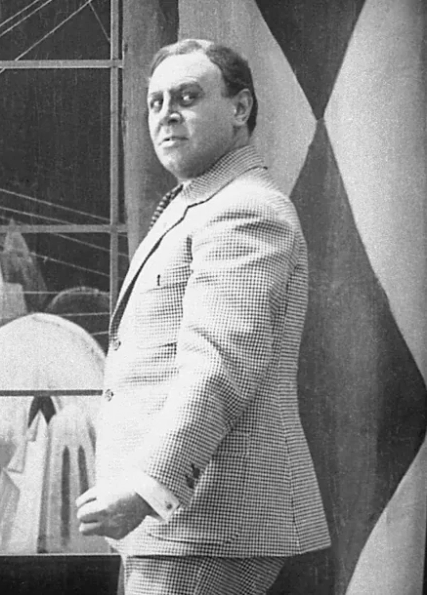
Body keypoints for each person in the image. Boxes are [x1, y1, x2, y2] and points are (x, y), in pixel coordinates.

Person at [76, 39, 330, 594]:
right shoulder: (202, 203)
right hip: (186, 528)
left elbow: (219, 369)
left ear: (240, 108)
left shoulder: (244, 209)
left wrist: (145, 489)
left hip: (210, 525)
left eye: (187, 97)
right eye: (156, 102)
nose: (166, 114)